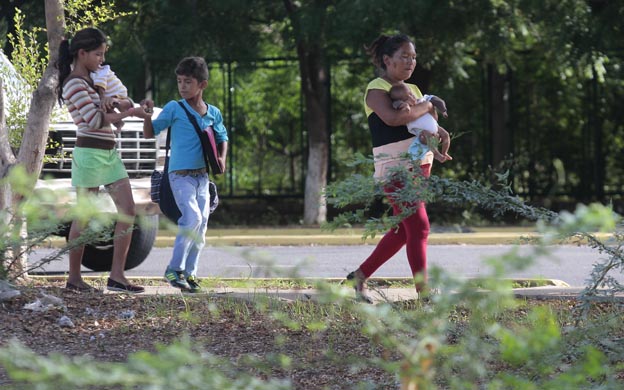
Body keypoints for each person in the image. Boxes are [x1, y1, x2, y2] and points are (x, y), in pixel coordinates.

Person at [346, 33, 452, 303]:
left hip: (420, 164)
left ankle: (360, 276)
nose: (410, 61)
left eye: (413, 57)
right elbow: (394, 118)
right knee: (419, 227)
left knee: (403, 230)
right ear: (387, 59)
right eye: (404, 56)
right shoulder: (377, 88)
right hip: (395, 167)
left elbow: (427, 124)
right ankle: (425, 297)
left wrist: (436, 136)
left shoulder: (414, 90)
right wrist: (427, 105)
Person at [56, 27, 151, 293]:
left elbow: (109, 109)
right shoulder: (74, 83)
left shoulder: (94, 81)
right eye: (97, 54)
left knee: (128, 211)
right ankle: (74, 279)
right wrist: (129, 112)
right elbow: (95, 120)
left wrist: (125, 105)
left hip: (108, 153)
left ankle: (117, 276)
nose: (101, 59)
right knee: (84, 216)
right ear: (82, 53)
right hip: (89, 154)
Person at [141, 56, 228, 293]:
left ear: (202, 84)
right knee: (192, 219)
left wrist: (222, 160)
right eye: (179, 81)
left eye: (188, 81)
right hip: (179, 175)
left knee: (201, 228)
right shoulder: (174, 108)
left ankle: (189, 275)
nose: (182, 86)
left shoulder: (213, 113)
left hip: (202, 178)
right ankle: (174, 269)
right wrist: (147, 114)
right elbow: (150, 133)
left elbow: (223, 137)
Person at [388, 82, 452, 163]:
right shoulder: (405, 109)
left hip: (436, 127)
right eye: (407, 98)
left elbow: (435, 99)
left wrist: (443, 110)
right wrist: (404, 105)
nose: (412, 97)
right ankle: (436, 154)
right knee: (426, 135)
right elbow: (395, 104)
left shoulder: (421, 100)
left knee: (446, 135)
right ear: (402, 101)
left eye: (411, 94)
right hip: (421, 131)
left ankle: (445, 152)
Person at [91, 64, 130, 131]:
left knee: (106, 105)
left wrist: (102, 98)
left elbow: (101, 86)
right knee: (108, 108)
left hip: (117, 92)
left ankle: (119, 121)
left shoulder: (100, 71)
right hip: (113, 94)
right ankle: (119, 123)